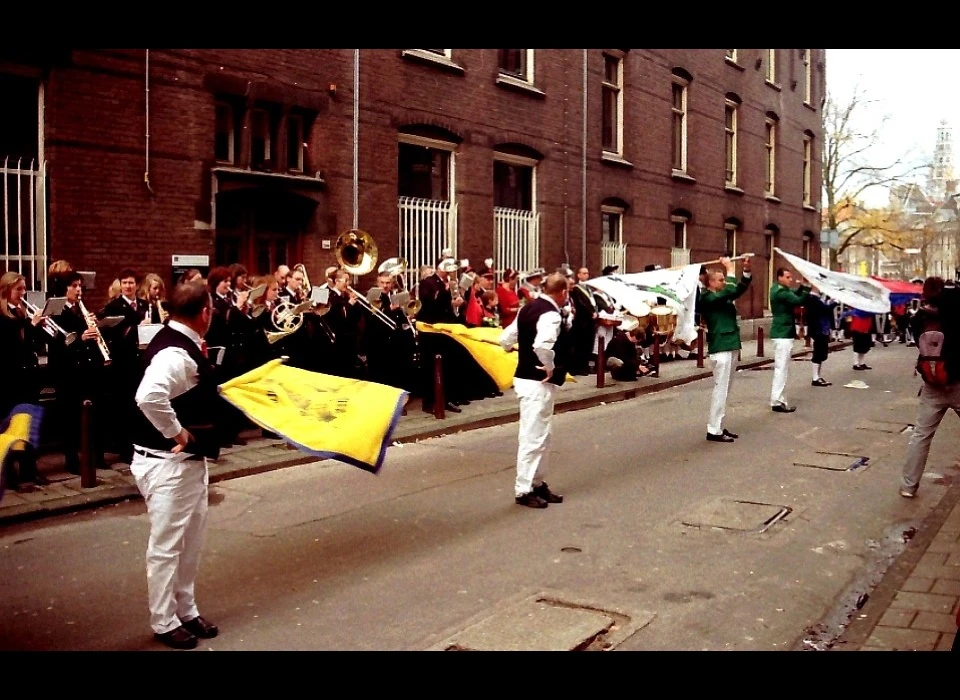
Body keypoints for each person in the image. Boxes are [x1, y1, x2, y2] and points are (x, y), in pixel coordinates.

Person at [130, 280, 222, 650]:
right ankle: (164, 620)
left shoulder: (180, 342)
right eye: (212, 308)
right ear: (204, 313)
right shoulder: (174, 353)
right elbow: (148, 396)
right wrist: (179, 433)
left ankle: (186, 609)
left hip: (186, 465)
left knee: (190, 542)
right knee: (168, 546)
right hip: (167, 466)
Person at [499, 271, 571, 508]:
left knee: (543, 435)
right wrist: (549, 366)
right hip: (536, 381)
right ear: (562, 292)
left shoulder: (527, 308)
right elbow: (542, 344)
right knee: (533, 436)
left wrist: (509, 346)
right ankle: (523, 489)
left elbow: (506, 337)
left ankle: (538, 482)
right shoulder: (551, 315)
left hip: (528, 380)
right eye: (567, 291)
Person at [899, 276, 958, 499]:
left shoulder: (919, 319)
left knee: (921, 435)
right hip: (957, 382)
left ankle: (908, 485)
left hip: (932, 384)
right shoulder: (954, 313)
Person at [0, 271, 49, 490]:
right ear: (6, 291)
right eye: (18, 289)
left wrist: (39, 328)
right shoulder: (1, 316)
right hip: (10, 379)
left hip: (27, 377)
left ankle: (30, 471)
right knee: (11, 428)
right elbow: (11, 347)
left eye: (24, 289)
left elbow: (30, 344)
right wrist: (30, 325)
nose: (22, 293)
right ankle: (11, 476)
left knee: (28, 426)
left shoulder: (21, 313)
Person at [698, 256, 752, 443]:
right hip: (720, 346)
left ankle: (718, 424)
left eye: (723, 279)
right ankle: (713, 429)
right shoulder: (708, 297)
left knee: (726, 389)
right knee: (720, 389)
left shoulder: (722, 295)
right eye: (720, 279)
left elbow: (739, 288)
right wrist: (729, 268)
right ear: (711, 283)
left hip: (730, 343)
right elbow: (730, 289)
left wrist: (745, 271)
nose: (724, 282)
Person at [768, 267, 811, 413]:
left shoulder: (777, 288)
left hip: (781, 332)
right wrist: (807, 288)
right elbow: (799, 300)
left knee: (782, 368)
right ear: (779, 277)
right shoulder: (780, 292)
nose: (790, 279)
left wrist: (802, 286)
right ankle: (777, 400)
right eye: (787, 277)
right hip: (782, 333)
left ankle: (779, 399)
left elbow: (794, 293)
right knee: (781, 368)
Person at [805, 290, 838, 387]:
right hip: (818, 329)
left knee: (821, 353)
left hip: (822, 329)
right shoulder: (813, 299)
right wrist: (835, 303)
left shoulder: (818, 299)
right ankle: (815, 378)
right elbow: (825, 309)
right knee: (818, 353)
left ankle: (817, 376)